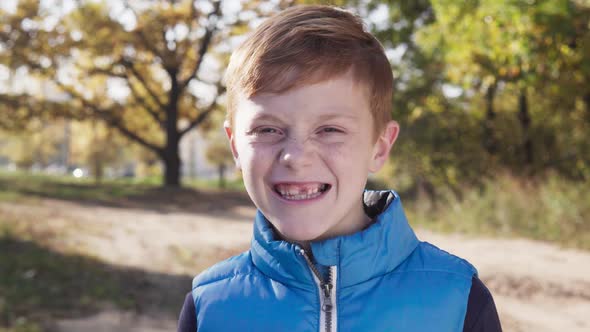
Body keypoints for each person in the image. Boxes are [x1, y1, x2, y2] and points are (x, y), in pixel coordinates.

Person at [178, 5, 502, 332]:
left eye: (330, 130)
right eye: (267, 130)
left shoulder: (458, 300)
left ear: (380, 147)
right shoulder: (210, 307)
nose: (295, 156)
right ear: (235, 146)